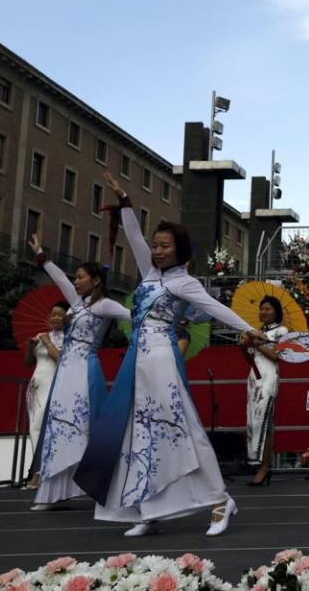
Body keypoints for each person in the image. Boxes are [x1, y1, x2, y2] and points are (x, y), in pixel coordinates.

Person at [73, 172, 265, 537]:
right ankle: (149, 507)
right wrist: (126, 201)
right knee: (138, 433)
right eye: (155, 245)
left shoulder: (183, 282)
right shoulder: (149, 273)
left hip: (161, 360)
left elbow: (213, 306)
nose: (158, 250)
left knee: (181, 429)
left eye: (164, 246)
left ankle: (221, 500)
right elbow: (132, 237)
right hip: (137, 363)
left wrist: (247, 329)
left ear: (179, 249)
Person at [25, 235, 129, 511]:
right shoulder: (78, 303)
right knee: (58, 428)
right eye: (75, 278)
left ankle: (109, 485)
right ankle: (51, 492)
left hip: (84, 369)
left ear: (95, 280)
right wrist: (41, 255)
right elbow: (59, 279)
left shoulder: (103, 305)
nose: (75, 281)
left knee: (85, 429)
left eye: (80, 277)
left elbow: (131, 315)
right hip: (66, 371)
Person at [22, 301, 69, 489]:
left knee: (44, 426)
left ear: (67, 317)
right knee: (34, 427)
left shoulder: (68, 338)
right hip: (35, 387)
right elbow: (28, 363)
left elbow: (61, 359)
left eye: (59, 314)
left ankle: (42, 472)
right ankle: (37, 471)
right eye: (53, 314)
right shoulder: (41, 336)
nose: (55, 317)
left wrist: (48, 343)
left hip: (55, 385)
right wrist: (30, 346)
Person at [246, 297, 289, 487]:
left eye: (268, 309)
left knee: (264, 421)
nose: (263, 312)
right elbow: (249, 357)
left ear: (276, 311)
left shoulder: (282, 331)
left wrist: (256, 344)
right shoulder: (258, 331)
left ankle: (264, 466)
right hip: (254, 378)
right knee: (253, 421)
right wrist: (245, 343)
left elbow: (277, 356)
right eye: (261, 309)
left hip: (269, 377)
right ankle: (260, 464)